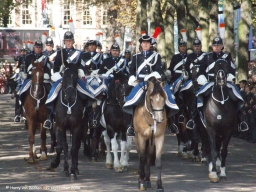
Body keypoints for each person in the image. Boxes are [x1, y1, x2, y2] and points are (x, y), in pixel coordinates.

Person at [123, 34, 179, 136]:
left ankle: (171, 123)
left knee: (168, 95)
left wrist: (152, 77)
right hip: (139, 82)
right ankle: (130, 125)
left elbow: (159, 69)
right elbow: (131, 71)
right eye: (143, 43)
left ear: (150, 45)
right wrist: (132, 78)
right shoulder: (136, 57)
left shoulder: (156, 56)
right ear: (141, 44)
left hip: (153, 81)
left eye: (147, 43)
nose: (145, 44)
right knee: (129, 98)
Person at [197, 35, 249, 132]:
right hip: (210, 81)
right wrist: (203, 80)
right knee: (199, 95)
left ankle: (241, 120)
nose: (216, 47)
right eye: (214, 45)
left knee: (236, 96)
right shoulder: (207, 57)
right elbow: (201, 71)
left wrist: (227, 78)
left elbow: (232, 70)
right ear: (212, 46)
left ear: (222, 46)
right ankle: (195, 117)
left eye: (218, 45)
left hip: (224, 81)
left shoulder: (227, 56)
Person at [43, 31, 86, 129]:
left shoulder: (79, 53)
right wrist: (59, 71)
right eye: (67, 41)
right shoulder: (60, 53)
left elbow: (82, 66)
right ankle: (49, 118)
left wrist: (79, 72)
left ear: (73, 41)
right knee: (52, 93)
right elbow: (55, 67)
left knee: (86, 93)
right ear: (64, 42)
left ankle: (89, 116)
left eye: (70, 41)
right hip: (63, 78)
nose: (68, 43)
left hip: (75, 78)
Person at [15, 40, 52, 123]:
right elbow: (25, 69)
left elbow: (48, 69)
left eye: (39, 48)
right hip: (30, 79)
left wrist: (46, 75)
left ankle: (50, 115)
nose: (38, 49)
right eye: (36, 47)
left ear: (41, 48)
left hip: (42, 80)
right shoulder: (28, 57)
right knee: (20, 92)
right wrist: (29, 73)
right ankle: (18, 113)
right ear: (34, 47)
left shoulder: (45, 58)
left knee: (51, 92)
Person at [165, 39, 188, 133]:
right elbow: (171, 68)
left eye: (184, 46)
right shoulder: (175, 57)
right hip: (176, 79)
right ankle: (171, 119)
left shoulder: (189, 57)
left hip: (186, 79)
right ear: (179, 48)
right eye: (181, 46)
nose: (182, 48)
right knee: (170, 95)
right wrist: (168, 73)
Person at [185, 38, 208, 129]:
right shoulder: (190, 57)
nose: (197, 48)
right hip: (191, 79)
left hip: (203, 79)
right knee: (181, 93)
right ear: (193, 47)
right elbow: (186, 69)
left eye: (198, 46)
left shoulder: (205, 56)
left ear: (201, 46)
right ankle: (187, 116)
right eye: (195, 46)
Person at [14, 47, 27, 123]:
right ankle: (17, 114)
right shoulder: (20, 58)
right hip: (21, 76)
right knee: (18, 94)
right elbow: (17, 66)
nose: (23, 52)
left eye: (24, 51)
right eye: (22, 51)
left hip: (28, 77)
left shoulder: (29, 57)